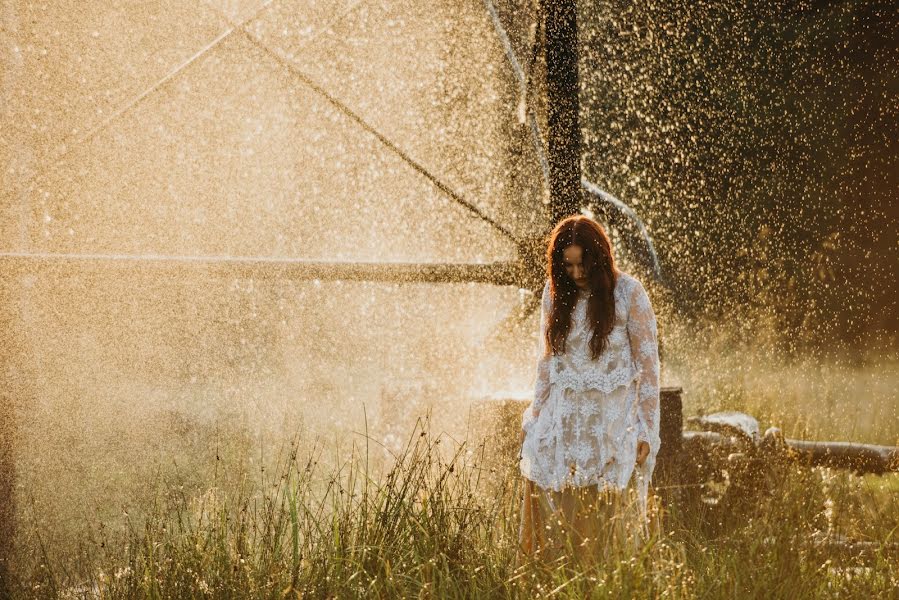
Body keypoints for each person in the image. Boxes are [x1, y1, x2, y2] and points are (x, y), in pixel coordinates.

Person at [517, 215, 662, 566]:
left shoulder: (629, 293)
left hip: (610, 428)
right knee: (560, 531)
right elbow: (547, 364)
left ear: (599, 258)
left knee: (608, 532)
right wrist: (535, 419)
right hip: (565, 424)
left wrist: (645, 428)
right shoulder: (554, 294)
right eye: (568, 266)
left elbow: (648, 368)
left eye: (583, 264)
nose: (577, 274)